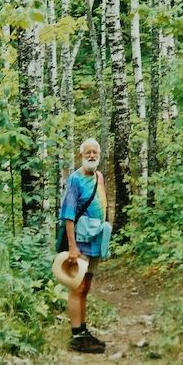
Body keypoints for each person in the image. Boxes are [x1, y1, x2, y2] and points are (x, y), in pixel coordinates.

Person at [59, 138, 108, 353]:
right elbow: (68, 215)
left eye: (94, 152)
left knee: (86, 287)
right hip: (79, 242)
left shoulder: (99, 177)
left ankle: (83, 331)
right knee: (77, 286)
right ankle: (76, 335)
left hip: (96, 240)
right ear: (81, 155)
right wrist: (72, 247)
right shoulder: (75, 179)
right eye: (87, 152)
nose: (91, 155)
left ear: (99, 154)